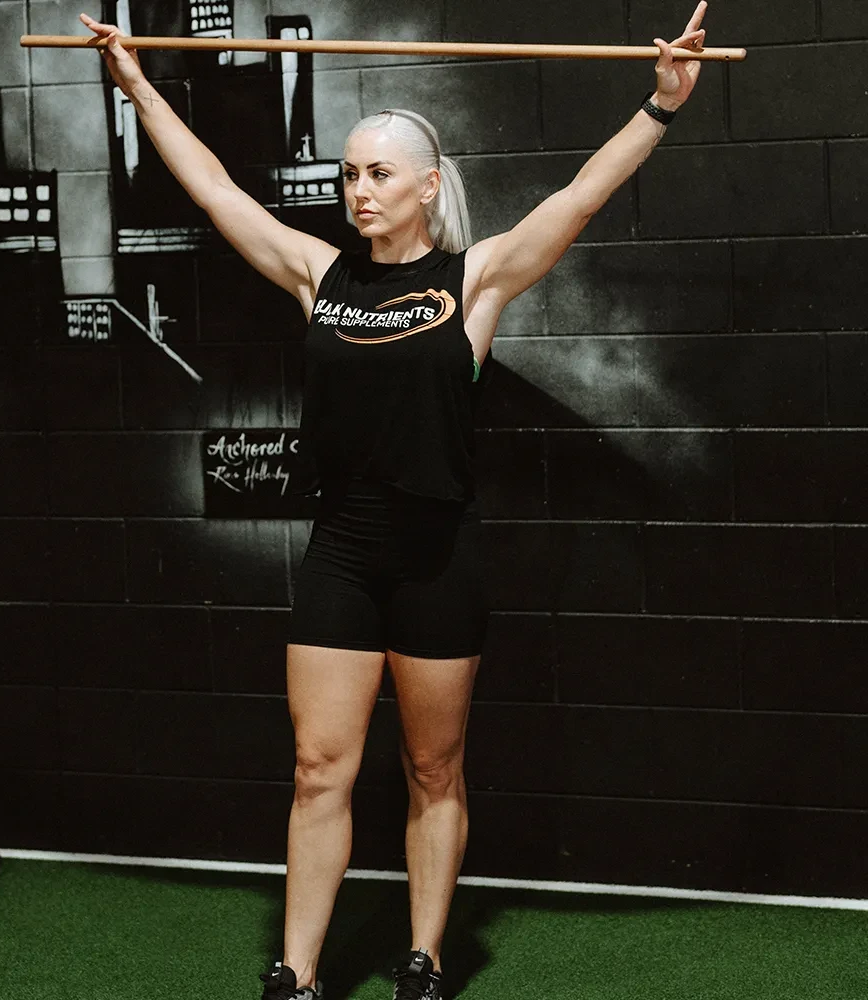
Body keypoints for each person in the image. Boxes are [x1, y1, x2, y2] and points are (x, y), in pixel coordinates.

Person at [80, 5, 709, 998]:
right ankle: (294, 969)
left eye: (378, 173)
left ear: (428, 184)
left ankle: (424, 954)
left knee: (433, 772)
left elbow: (581, 198)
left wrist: (662, 106)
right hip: (341, 551)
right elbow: (210, 189)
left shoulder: (479, 279)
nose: (357, 190)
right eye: (347, 173)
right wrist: (137, 85)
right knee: (319, 768)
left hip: (436, 555)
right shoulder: (317, 273)